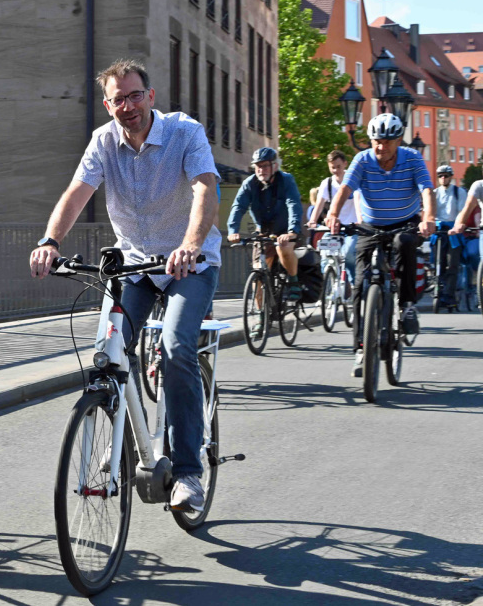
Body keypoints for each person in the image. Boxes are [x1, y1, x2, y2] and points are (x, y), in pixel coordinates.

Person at [28, 59, 220, 514]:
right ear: (107, 104)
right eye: (118, 99)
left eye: (135, 95)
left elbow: (205, 188)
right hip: (135, 265)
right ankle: (131, 440)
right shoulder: (103, 141)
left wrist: (190, 244)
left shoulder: (184, 132)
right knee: (106, 352)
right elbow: (77, 193)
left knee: (175, 346)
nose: (127, 106)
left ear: (150, 96)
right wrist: (50, 240)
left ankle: (189, 470)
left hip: (186, 264)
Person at [325, 113, 435, 377]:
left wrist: (428, 217)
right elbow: (345, 190)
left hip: (405, 222)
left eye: (386, 141)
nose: (380, 146)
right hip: (371, 226)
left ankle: (407, 306)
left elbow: (426, 191)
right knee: (361, 285)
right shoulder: (362, 160)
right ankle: (361, 350)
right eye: (376, 140)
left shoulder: (412, 159)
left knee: (404, 244)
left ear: (398, 140)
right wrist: (333, 214)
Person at [227, 147, 304, 327]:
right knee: (258, 271)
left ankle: (293, 281)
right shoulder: (249, 183)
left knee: (283, 247)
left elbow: (293, 204)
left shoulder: (286, 180)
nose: (261, 170)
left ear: (274, 166)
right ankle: (261, 316)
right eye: (258, 166)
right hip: (263, 232)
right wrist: (232, 231)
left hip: (285, 231)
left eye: (265, 166)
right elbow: (238, 206)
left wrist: (292, 230)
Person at [307, 150, 357, 283]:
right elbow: (319, 204)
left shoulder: (353, 180)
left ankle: (354, 285)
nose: (335, 170)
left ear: (345, 164)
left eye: (338, 166)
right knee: (325, 253)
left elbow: (359, 202)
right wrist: (312, 221)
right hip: (333, 227)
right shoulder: (327, 183)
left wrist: (360, 221)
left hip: (353, 227)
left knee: (349, 254)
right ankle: (328, 290)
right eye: (332, 167)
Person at [432, 165, 468, 307]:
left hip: (453, 232)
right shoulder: (434, 193)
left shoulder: (459, 192)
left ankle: (450, 295)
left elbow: (462, 211)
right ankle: (438, 291)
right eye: (440, 176)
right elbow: (430, 211)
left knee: (452, 264)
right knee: (438, 263)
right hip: (439, 231)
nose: (443, 178)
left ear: (450, 177)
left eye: (445, 175)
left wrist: (457, 226)